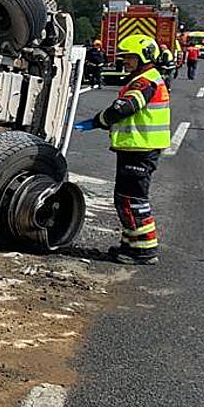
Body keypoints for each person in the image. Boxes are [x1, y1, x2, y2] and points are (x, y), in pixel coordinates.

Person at [74, 34, 170, 265]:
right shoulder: (147, 77)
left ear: (143, 57)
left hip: (140, 149)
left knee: (131, 200)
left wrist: (98, 120)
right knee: (126, 198)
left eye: (129, 57)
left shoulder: (144, 81)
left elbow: (125, 107)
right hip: (137, 148)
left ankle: (144, 250)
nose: (124, 61)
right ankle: (132, 244)